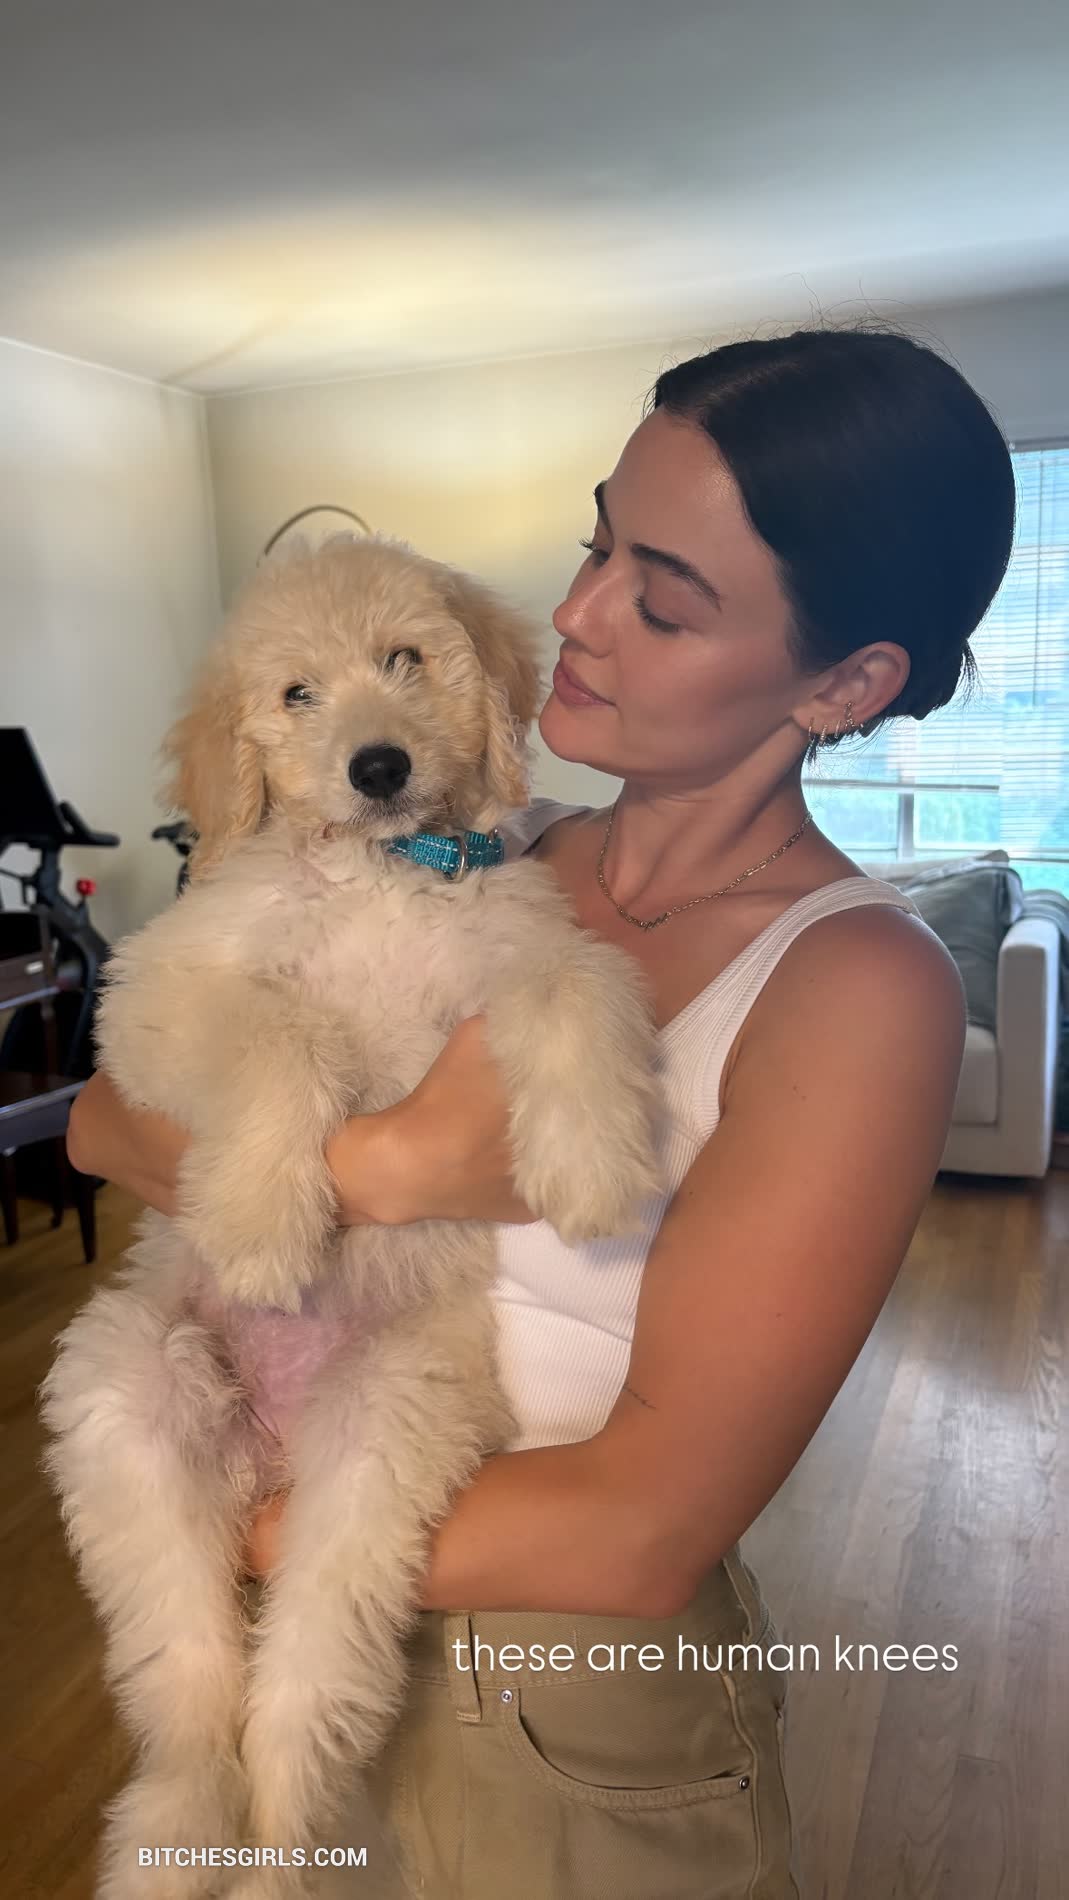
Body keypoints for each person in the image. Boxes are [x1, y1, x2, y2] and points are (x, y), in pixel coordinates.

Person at [67, 323, 1016, 1899]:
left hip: (560, 1721)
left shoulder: (856, 985)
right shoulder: (481, 847)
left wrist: (214, 1532)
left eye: (664, 596)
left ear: (845, 681)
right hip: (283, 1618)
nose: (574, 614)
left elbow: (638, 1531)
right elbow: (108, 1119)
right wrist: (373, 1167)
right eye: (598, 544)